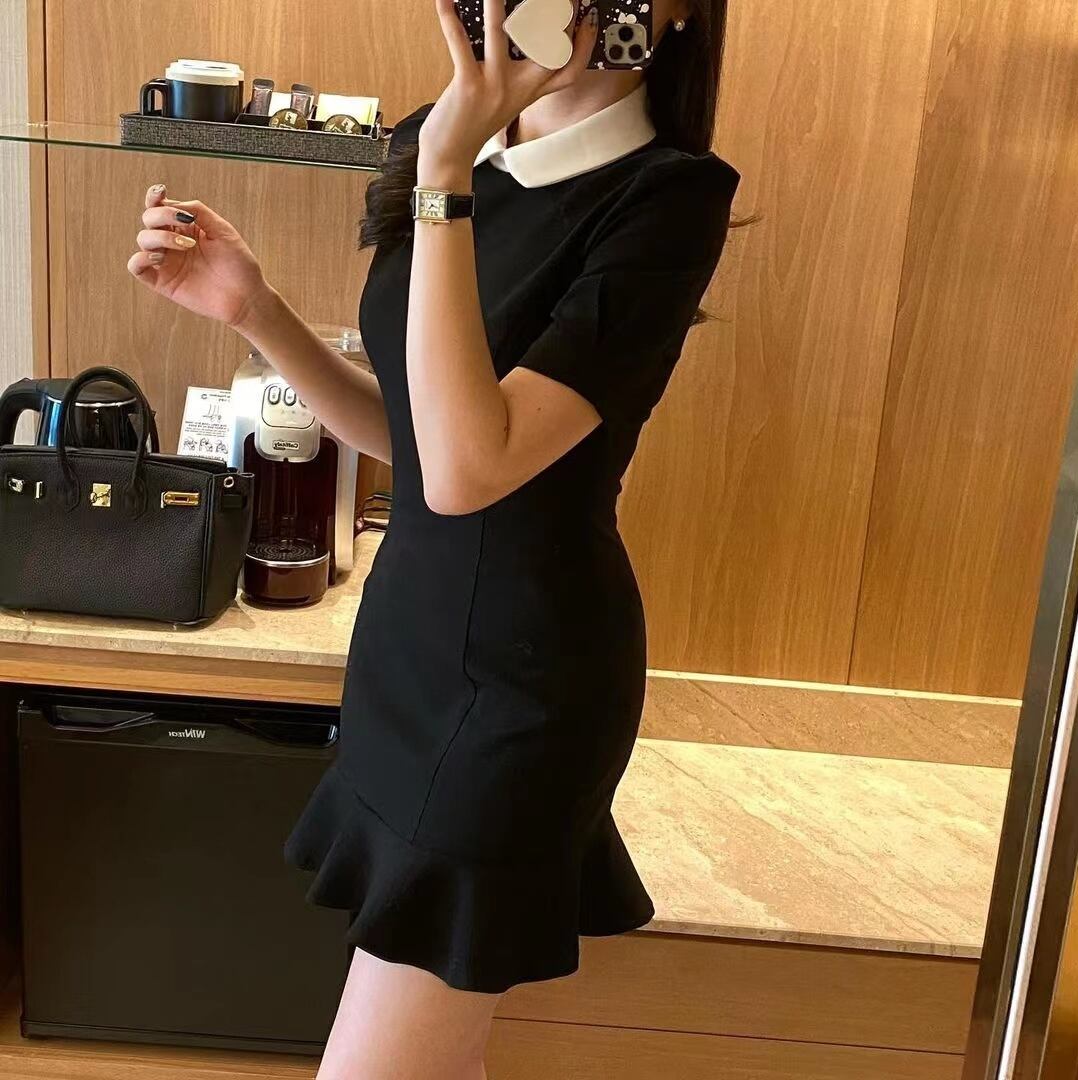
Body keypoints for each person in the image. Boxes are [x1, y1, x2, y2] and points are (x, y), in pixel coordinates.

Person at [127, 0, 738, 1075]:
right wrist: (255, 309)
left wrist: (448, 170)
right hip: (408, 650)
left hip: (520, 690)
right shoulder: (443, 141)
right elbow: (414, 438)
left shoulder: (664, 198)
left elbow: (468, 469)